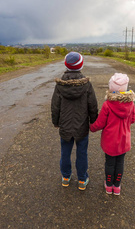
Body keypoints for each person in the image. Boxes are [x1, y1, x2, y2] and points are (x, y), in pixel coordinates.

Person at [51, 52, 98, 190]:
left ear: (66, 64)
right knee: (82, 153)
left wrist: (56, 122)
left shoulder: (60, 85)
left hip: (65, 125)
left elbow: (55, 106)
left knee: (65, 152)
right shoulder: (86, 84)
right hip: (81, 125)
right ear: (81, 65)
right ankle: (82, 180)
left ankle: (66, 177)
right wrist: (93, 121)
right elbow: (92, 105)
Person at [90, 73, 135, 196]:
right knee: (120, 163)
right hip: (124, 140)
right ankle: (117, 186)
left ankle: (108, 185)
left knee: (110, 163)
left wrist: (91, 127)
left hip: (110, 141)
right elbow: (132, 120)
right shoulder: (130, 103)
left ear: (111, 87)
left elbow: (100, 123)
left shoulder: (108, 105)